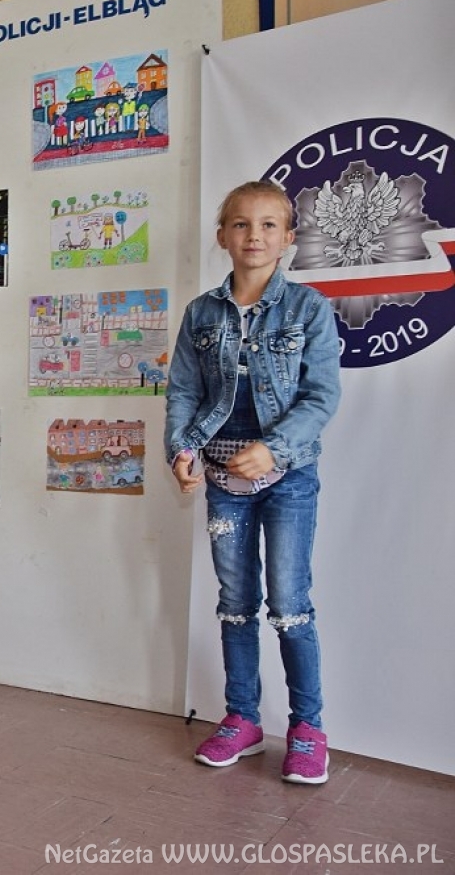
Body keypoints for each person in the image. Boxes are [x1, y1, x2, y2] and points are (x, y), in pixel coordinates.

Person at [165, 180, 341, 784]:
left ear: (288, 237)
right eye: (241, 224)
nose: (254, 236)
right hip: (222, 479)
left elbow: (321, 396)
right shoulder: (201, 313)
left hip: (288, 478)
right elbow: (184, 391)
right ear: (222, 236)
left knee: (289, 604)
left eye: (269, 225)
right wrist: (182, 450)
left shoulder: (308, 309)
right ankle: (242, 718)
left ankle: (307, 729)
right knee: (236, 604)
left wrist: (273, 449)